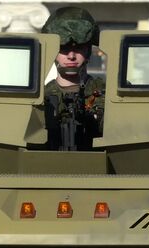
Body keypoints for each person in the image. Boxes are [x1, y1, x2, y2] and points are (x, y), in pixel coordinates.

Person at [41, 7, 104, 151]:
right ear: (53, 51)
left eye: (78, 48)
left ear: (88, 51)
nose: (71, 56)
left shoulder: (107, 93)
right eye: (63, 48)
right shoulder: (40, 97)